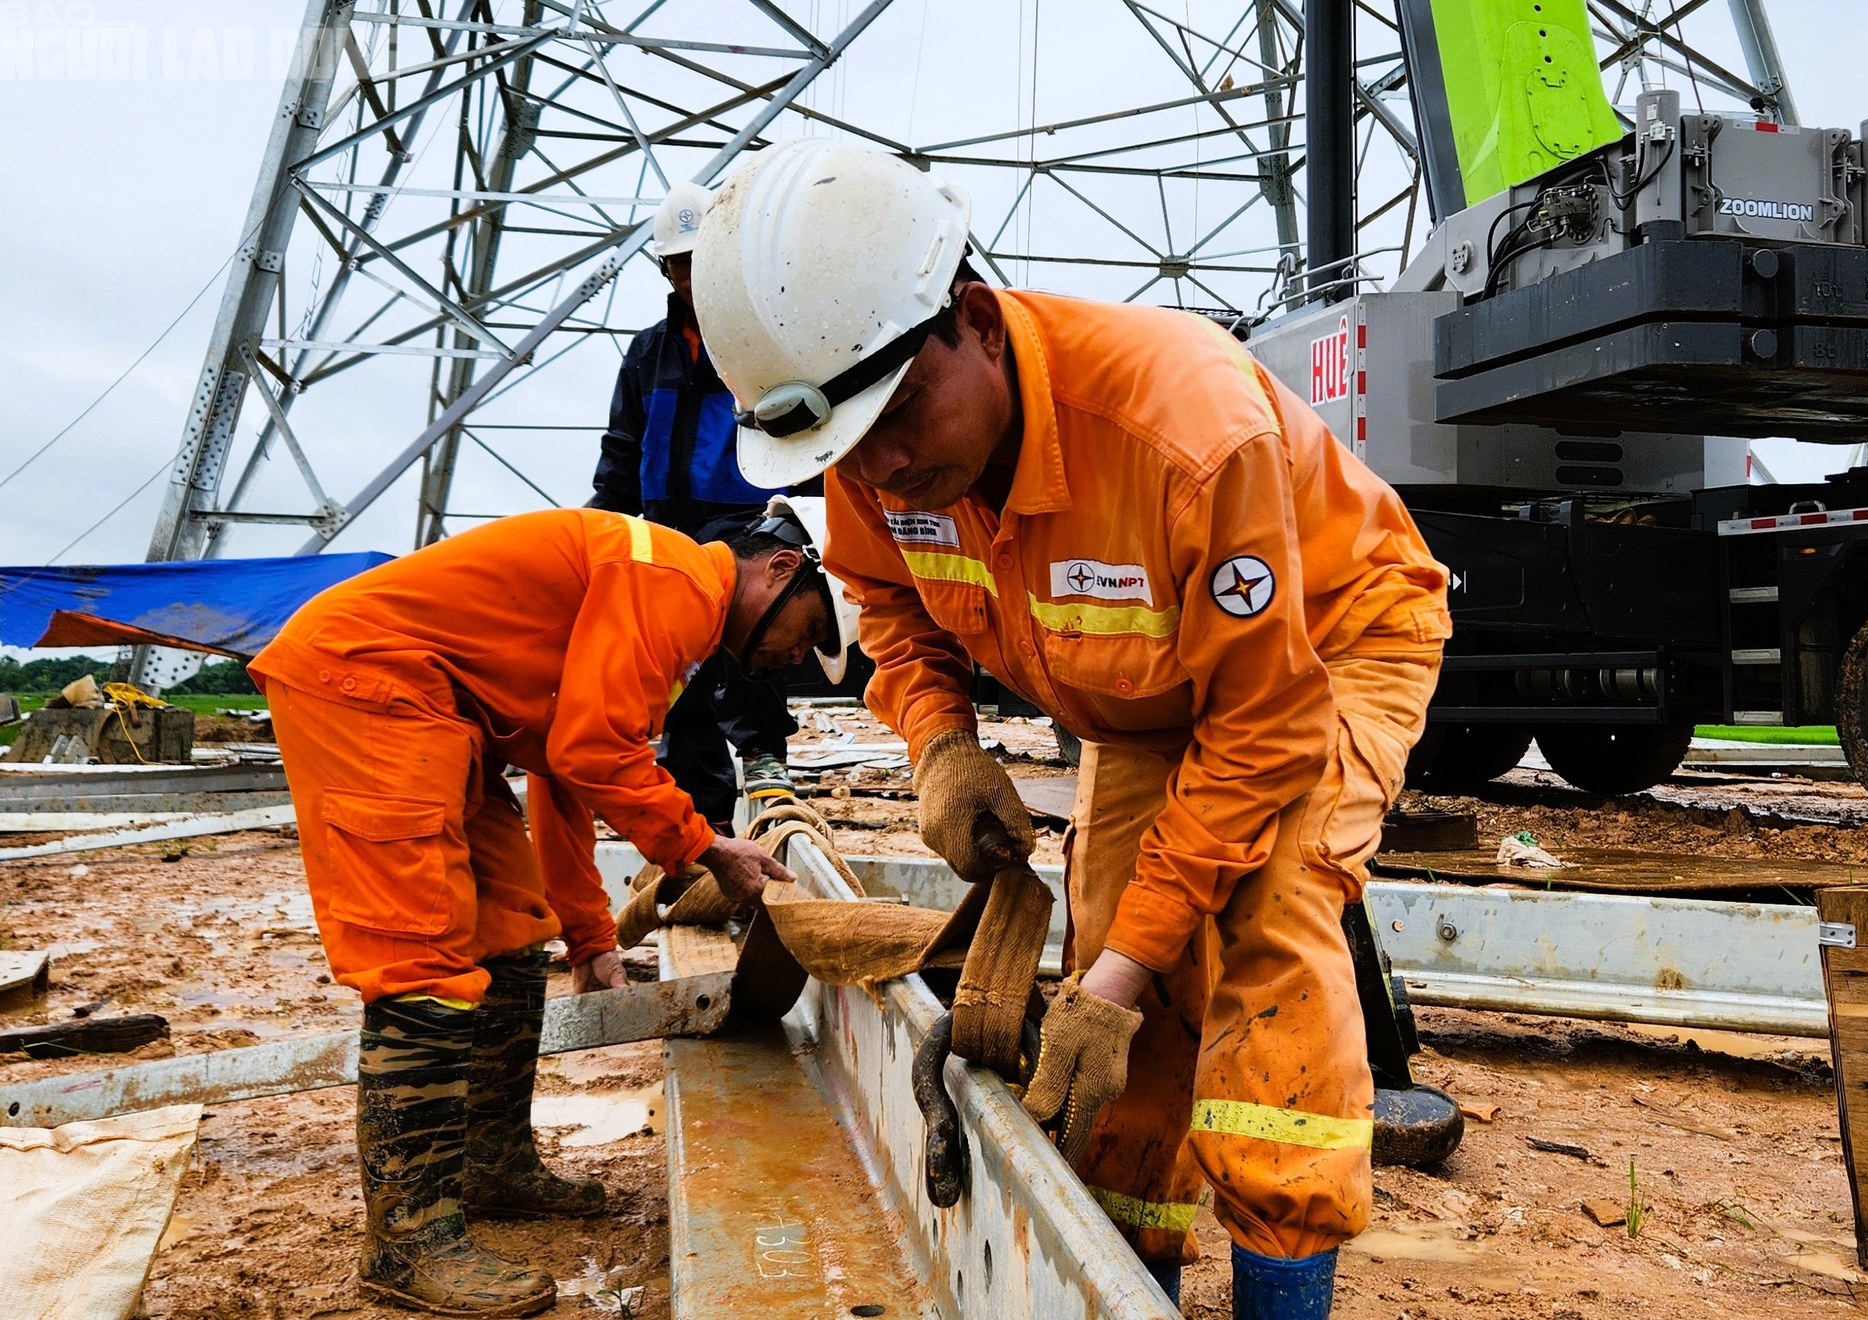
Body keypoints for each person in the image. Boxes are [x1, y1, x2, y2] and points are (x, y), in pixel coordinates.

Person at [697, 140, 1451, 1320]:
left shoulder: (1183, 427)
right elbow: (889, 604)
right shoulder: (866, 449)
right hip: (1148, 696)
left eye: (899, 417)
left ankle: (1280, 1292)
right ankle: (1124, 1275)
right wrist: (942, 741)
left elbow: (1260, 726)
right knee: (1115, 962)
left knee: (1265, 932)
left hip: (1321, 647)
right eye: (850, 451)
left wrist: (1123, 970)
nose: (885, 469)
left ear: (974, 320)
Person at [250, 500, 853, 1316]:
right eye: (811, 629)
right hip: (371, 684)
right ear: (782, 569)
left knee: (507, 935)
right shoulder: (670, 580)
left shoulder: (669, 608)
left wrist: (585, 935)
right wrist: (704, 847)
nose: (792, 656)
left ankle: (490, 1165)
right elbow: (594, 751)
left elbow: (563, 765)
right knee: (419, 960)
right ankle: (408, 1240)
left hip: (440, 707)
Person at [586, 180, 797, 829]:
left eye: (698, 261)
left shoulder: (760, 338)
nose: (687, 276)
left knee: (747, 641)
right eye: (677, 264)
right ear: (665, 268)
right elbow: (623, 445)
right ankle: (703, 826)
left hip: (745, 521)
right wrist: (600, 525)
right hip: (667, 528)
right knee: (680, 678)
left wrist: (798, 509)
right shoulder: (650, 352)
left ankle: (764, 761)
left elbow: (798, 428)